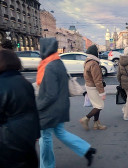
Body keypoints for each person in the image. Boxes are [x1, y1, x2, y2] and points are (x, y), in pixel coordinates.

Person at [37, 38, 96, 167]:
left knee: (45, 137)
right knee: (59, 132)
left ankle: (47, 165)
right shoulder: (57, 62)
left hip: (51, 109)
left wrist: (37, 107)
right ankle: (86, 150)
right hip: (60, 105)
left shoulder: (50, 66)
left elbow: (50, 94)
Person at [0, 49, 40, 168]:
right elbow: (34, 110)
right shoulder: (26, 83)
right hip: (29, 133)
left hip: (10, 136)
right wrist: (36, 133)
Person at [80, 45, 107, 130]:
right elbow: (97, 80)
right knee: (100, 106)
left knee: (96, 105)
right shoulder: (94, 63)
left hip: (89, 86)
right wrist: (102, 92)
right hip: (93, 87)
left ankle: (96, 124)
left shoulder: (87, 61)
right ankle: (86, 118)